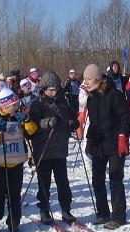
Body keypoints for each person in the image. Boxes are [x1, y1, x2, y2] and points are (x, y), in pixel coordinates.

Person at [83, 64, 130, 229]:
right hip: (99, 144)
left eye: (88, 79)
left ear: (97, 78)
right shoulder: (91, 97)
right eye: (85, 79)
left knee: (115, 178)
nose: (86, 82)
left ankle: (118, 216)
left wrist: (123, 135)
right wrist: (90, 139)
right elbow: (94, 123)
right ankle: (103, 213)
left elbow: (126, 116)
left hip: (115, 143)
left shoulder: (114, 94)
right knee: (97, 180)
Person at [0, 88, 37, 232]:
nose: (17, 107)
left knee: (14, 196)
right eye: (14, 105)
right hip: (0, 165)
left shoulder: (18, 117)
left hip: (17, 163)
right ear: (6, 105)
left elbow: (32, 132)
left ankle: (14, 222)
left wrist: (26, 121)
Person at [29, 71, 77, 224]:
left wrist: (72, 123)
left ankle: (66, 209)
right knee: (44, 182)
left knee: (63, 181)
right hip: (43, 149)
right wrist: (47, 122)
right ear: (43, 88)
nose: (54, 92)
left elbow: (70, 117)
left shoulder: (63, 102)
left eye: (56, 88)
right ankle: (44, 209)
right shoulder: (36, 103)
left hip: (59, 149)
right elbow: (33, 125)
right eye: (50, 89)